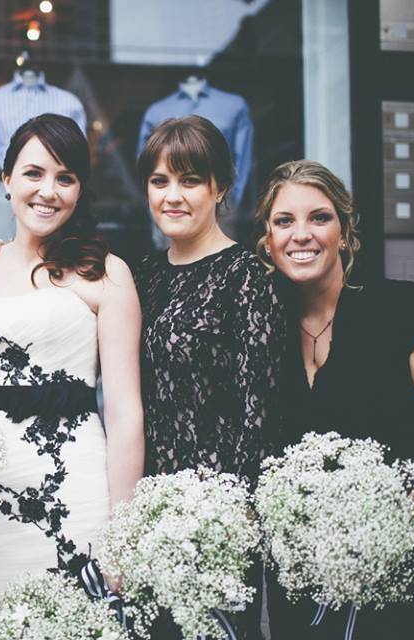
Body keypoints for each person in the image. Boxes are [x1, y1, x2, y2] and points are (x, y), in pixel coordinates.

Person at [0, 113, 145, 639]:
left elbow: (126, 411)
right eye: (34, 174)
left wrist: (122, 533)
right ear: (6, 180)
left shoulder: (107, 273)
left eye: (65, 178)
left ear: (80, 190)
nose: (48, 191)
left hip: (76, 485)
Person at [255, 159, 414, 640]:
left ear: (344, 230)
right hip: (306, 592)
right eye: (284, 221)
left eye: (319, 217)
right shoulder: (262, 332)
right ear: (268, 239)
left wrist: (396, 532)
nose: (302, 234)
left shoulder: (403, 309)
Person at [131, 115, 283, 639]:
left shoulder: (247, 277)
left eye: (189, 180)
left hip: (216, 524)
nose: (172, 196)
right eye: (159, 181)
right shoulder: (143, 275)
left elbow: (257, 414)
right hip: (147, 514)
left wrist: (230, 523)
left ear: (219, 187)